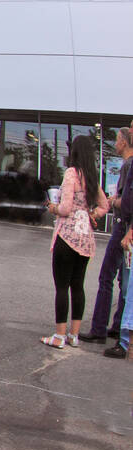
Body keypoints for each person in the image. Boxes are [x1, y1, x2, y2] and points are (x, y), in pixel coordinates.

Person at [42, 134, 108, 348]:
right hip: (85, 237)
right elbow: (104, 206)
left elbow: (65, 208)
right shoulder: (92, 177)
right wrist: (91, 214)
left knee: (62, 286)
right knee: (77, 286)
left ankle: (59, 336)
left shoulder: (71, 173)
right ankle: (74, 335)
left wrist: (53, 208)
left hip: (67, 236)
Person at [81, 126, 133, 344]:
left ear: (124, 142)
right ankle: (118, 324)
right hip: (126, 227)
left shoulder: (128, 166)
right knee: (124, 280)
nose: (115, 144)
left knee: (106, 277)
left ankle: (99, 328)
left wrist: (113, 202)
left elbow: (128, 203)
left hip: (123, 226)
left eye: (118, 140)